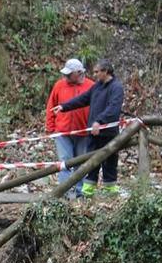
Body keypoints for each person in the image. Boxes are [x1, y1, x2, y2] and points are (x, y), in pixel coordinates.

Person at [51, 59, 124, 197]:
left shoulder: (116, 87)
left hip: (108, 133)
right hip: (93, 133)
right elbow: (83, 99)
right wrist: (64, 106)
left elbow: (113, 109)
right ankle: (86, 194)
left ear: (105, 72)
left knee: (109, 163)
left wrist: (99, 121)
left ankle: (110, 194)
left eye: (97, 72)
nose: (94, 74)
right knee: (91, 164)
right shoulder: (97, 86)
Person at [46, 59, 94, 197]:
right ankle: (64, 194)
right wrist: (50, 127)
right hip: (62, 131)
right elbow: (51, 106)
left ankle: (80, 194)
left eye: (69, 74)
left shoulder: (91, 86)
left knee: (81, 164)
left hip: (84, 131)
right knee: (64, 162)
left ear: (79, 73)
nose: (65, 76)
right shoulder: (59, 85)